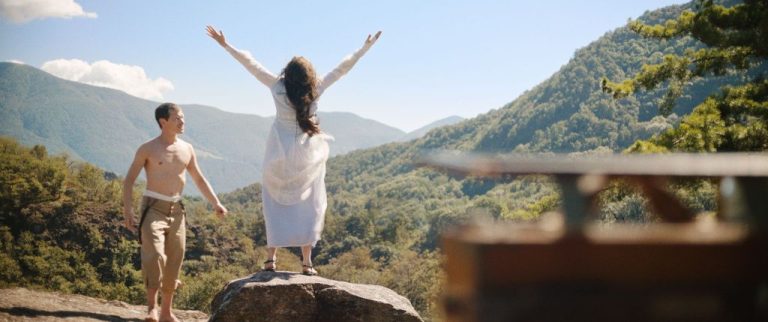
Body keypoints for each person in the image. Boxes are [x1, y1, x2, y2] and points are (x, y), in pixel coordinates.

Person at [206, 25, 381, 276]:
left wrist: (226, 44)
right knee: (309, 204)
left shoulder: (277, 86)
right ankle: (307, 262)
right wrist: (365, 48)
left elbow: (251, 65)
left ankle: (270, 259)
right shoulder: (316, 89)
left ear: (287, 72)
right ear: (309, 75)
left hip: (278, 153)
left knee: (274, 203)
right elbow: (342, 69)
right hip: (307, 155)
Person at [123, 102, 228, 322]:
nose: (182, 122)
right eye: (178, 118)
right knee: (155, 254)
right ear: (164, 122)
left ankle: (166, 312)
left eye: (183, 118)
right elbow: (129, 181)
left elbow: (199, 178)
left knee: (175, 259)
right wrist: (128, 211)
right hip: (153, 207)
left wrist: (215, 202)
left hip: (177, 210)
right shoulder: (147, 148)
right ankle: (152, 307)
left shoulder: (187, 149)